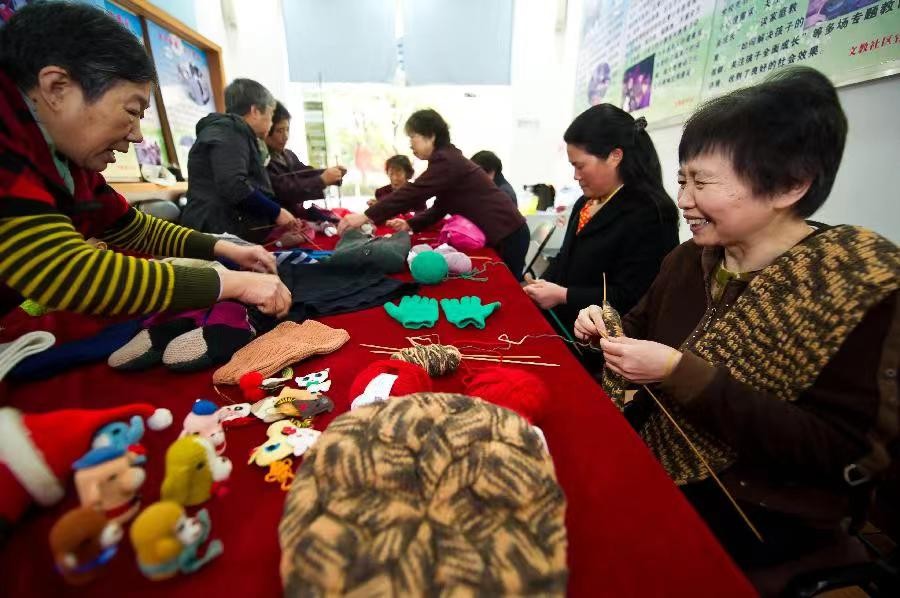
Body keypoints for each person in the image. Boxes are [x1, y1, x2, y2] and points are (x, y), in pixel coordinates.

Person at [574, 67, 899, 583]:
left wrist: (680, 374)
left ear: (790, 184)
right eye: (683, 180)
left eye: (702, 182)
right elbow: (635, 327)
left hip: (758, 512)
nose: (684, 200)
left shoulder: (854, 285)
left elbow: (841, 452)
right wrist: (601, 325)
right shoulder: (688, 260)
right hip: (651, 458)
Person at [0, 2, 289, 318]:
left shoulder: (65, 163)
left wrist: (222, 247)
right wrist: (230, 283)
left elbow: (132, 227)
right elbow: (60, 268)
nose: (138, 136)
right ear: (57, 88)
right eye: (131, 111)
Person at [524, 104, 678, 338]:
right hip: (564, 328)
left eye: (580, 166)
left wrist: (563, 295)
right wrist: (542, 284)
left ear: (615, 156)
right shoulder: (585, 203)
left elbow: (634, 296)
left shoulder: (651, 214)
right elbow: (566, 258)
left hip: (604, 343)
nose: (576, 176)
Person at [338, 109, 529, 280]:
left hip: (509, 234)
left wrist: (366, 216)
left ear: (430, 136)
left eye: (413, 137)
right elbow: (442, 206)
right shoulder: (447, 159)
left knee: (508, 287)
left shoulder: (447, 161)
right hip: (506, 233)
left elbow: (414, 192)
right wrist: (410, 224)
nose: (410, 144)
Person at [179, 79, 299, 244]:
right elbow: (234, 184)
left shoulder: (234, 133)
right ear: (255, 111)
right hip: (215, 234)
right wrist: (276, 212)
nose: (271, 123)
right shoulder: (230, 132)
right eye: (271, 114)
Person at [265, 101, 345, 216]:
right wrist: (321, 180)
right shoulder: (263, 161)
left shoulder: (288, 155)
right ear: (266, 129)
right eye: (279, 131)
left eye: (287, 129)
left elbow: (305, 173)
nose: (285, 136)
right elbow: (286, 190)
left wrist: (331, 173)